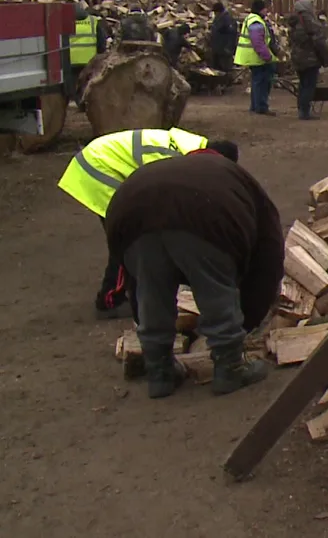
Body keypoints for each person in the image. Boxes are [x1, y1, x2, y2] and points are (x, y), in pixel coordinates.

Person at [105, 149, 281, 398]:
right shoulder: (239, 182)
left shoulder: (192, 172)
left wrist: (139, 311)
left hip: (130, 213)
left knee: (150, 290)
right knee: (214, 287)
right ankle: (230, 367)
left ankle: (159, 372)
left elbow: (135, 284)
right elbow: (268, 260)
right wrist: (248, 319)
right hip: (203, 214)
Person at [57, 128, 239, 319]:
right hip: (98, 167)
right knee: (129, 237)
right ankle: (110, 300)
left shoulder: (192, 148)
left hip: (104, 161)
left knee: (145, 233)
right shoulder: (175, 159)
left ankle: (137, 294)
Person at [288, 0, 328, 121]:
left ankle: (302, 109)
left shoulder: (294, 22)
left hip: (297, 58)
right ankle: (305, 112)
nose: (314, 9)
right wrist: (326, 58)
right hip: (310, 58)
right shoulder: (310, 22)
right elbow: (319, 42)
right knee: (309, 85)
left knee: (303, 84)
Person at [235, 0, 278, 116]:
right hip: (258, 58)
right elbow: (258, 42)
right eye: (265, 9)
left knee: (256, 82)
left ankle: (255, 106)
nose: (267, 11)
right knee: (262, 83)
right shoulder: (256, 22)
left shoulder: (252, 19)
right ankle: (261, 107)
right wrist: (267, 57)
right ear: (260, 9)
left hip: (253, 57)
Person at [69, 4, 104, 78]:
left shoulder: (64, 22)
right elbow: (101, 42)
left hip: (71, 62)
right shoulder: (93, 21)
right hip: (90, 61)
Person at [209, 1, 236, 72]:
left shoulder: (227, 19)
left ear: (219, 11)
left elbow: (232, 35)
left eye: (215, 12)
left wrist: (229, 47)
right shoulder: (217, 18)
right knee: (216, 69)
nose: (215, 13)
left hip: (224, 49)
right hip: (217, 48)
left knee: (225, 69)